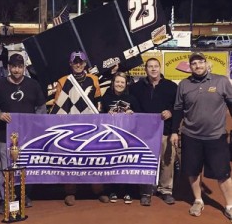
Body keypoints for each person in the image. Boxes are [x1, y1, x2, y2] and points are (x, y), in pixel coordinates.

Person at [170, 52, 232, 220]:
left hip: (216, 137)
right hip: (191, 136)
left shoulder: (221, 81)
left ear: (206, 63)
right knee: (193, 171)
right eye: (194, 63)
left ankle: (229, 205)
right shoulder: (183, 85)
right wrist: (174, 131)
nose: (197, 66)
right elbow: (178, 109)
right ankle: (198, 200)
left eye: (200, 62)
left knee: (223, 173)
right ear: (190, 67)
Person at [0, 53, 47, 214]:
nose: (16, 70)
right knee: (5, 168)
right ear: (9, 67)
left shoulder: (33, 85)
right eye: (13, 66)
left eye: (19, 67)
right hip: (4, 135)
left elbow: (41, 108)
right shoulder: (0, 85)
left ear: (23, 68)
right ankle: (4, 198)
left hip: (27, 136)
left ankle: (24, 195)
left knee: (25, 167)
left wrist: (36, 124)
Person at [51, 51, 109, 206]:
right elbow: (58, 106)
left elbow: (98, 104)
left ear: (85, 64)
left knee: (94, 160)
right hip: (71, 128)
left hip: (91, 127)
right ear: (70, 64)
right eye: (75, 62)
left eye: (81, 62)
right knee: (71, 160)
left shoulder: (93, 80)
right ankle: (70, 192)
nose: (78, 65)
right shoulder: (63, 81)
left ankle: (99, 190)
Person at [129, 58, 177, 206]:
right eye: (150, 66)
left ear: (160, 68)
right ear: (146, 69)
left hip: (165, 130)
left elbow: (178, 107)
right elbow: (132, 106)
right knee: (146, 161)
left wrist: (170, 112)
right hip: (144, 133)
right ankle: (146, 191)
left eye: (156, 66)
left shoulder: (171, 86)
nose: (153, 69)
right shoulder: (136, 88)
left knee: (167, 161)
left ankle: (166, 190)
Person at [100, 71, 140, 204]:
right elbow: (99, 115)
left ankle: (129, 191)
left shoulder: (132, 98)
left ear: (126, 84)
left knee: (127, 163)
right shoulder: (106, 97)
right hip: (110, 136)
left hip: (128, 136)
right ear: (113, 83)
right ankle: (113, 190)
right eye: (117, 82)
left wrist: (132, 113)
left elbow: (140, 116)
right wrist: (107, 113)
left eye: (122, 82)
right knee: (113, 163)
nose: (119, 84)